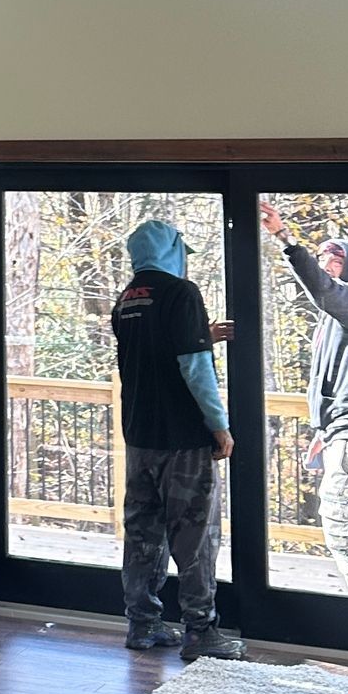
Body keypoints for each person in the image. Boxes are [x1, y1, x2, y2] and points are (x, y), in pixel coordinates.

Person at [110, 218, 244, 663]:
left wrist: (203, 333)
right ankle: (201, 631)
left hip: (140, 437)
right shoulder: (182, 294)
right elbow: (194, 368)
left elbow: (152, 354)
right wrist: (219, 425)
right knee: (196, 536)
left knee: (144, 532)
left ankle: (143, 624)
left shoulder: (127, 299)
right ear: (172, 252)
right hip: (183, 439)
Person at [260, 200, 348, 596]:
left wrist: (285, 238)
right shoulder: (336, 319)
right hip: (341, 428)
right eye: (321, 258)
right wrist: (323, 427)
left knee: (341, 520)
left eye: (334, 259)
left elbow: (322, 287)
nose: (325, 264)